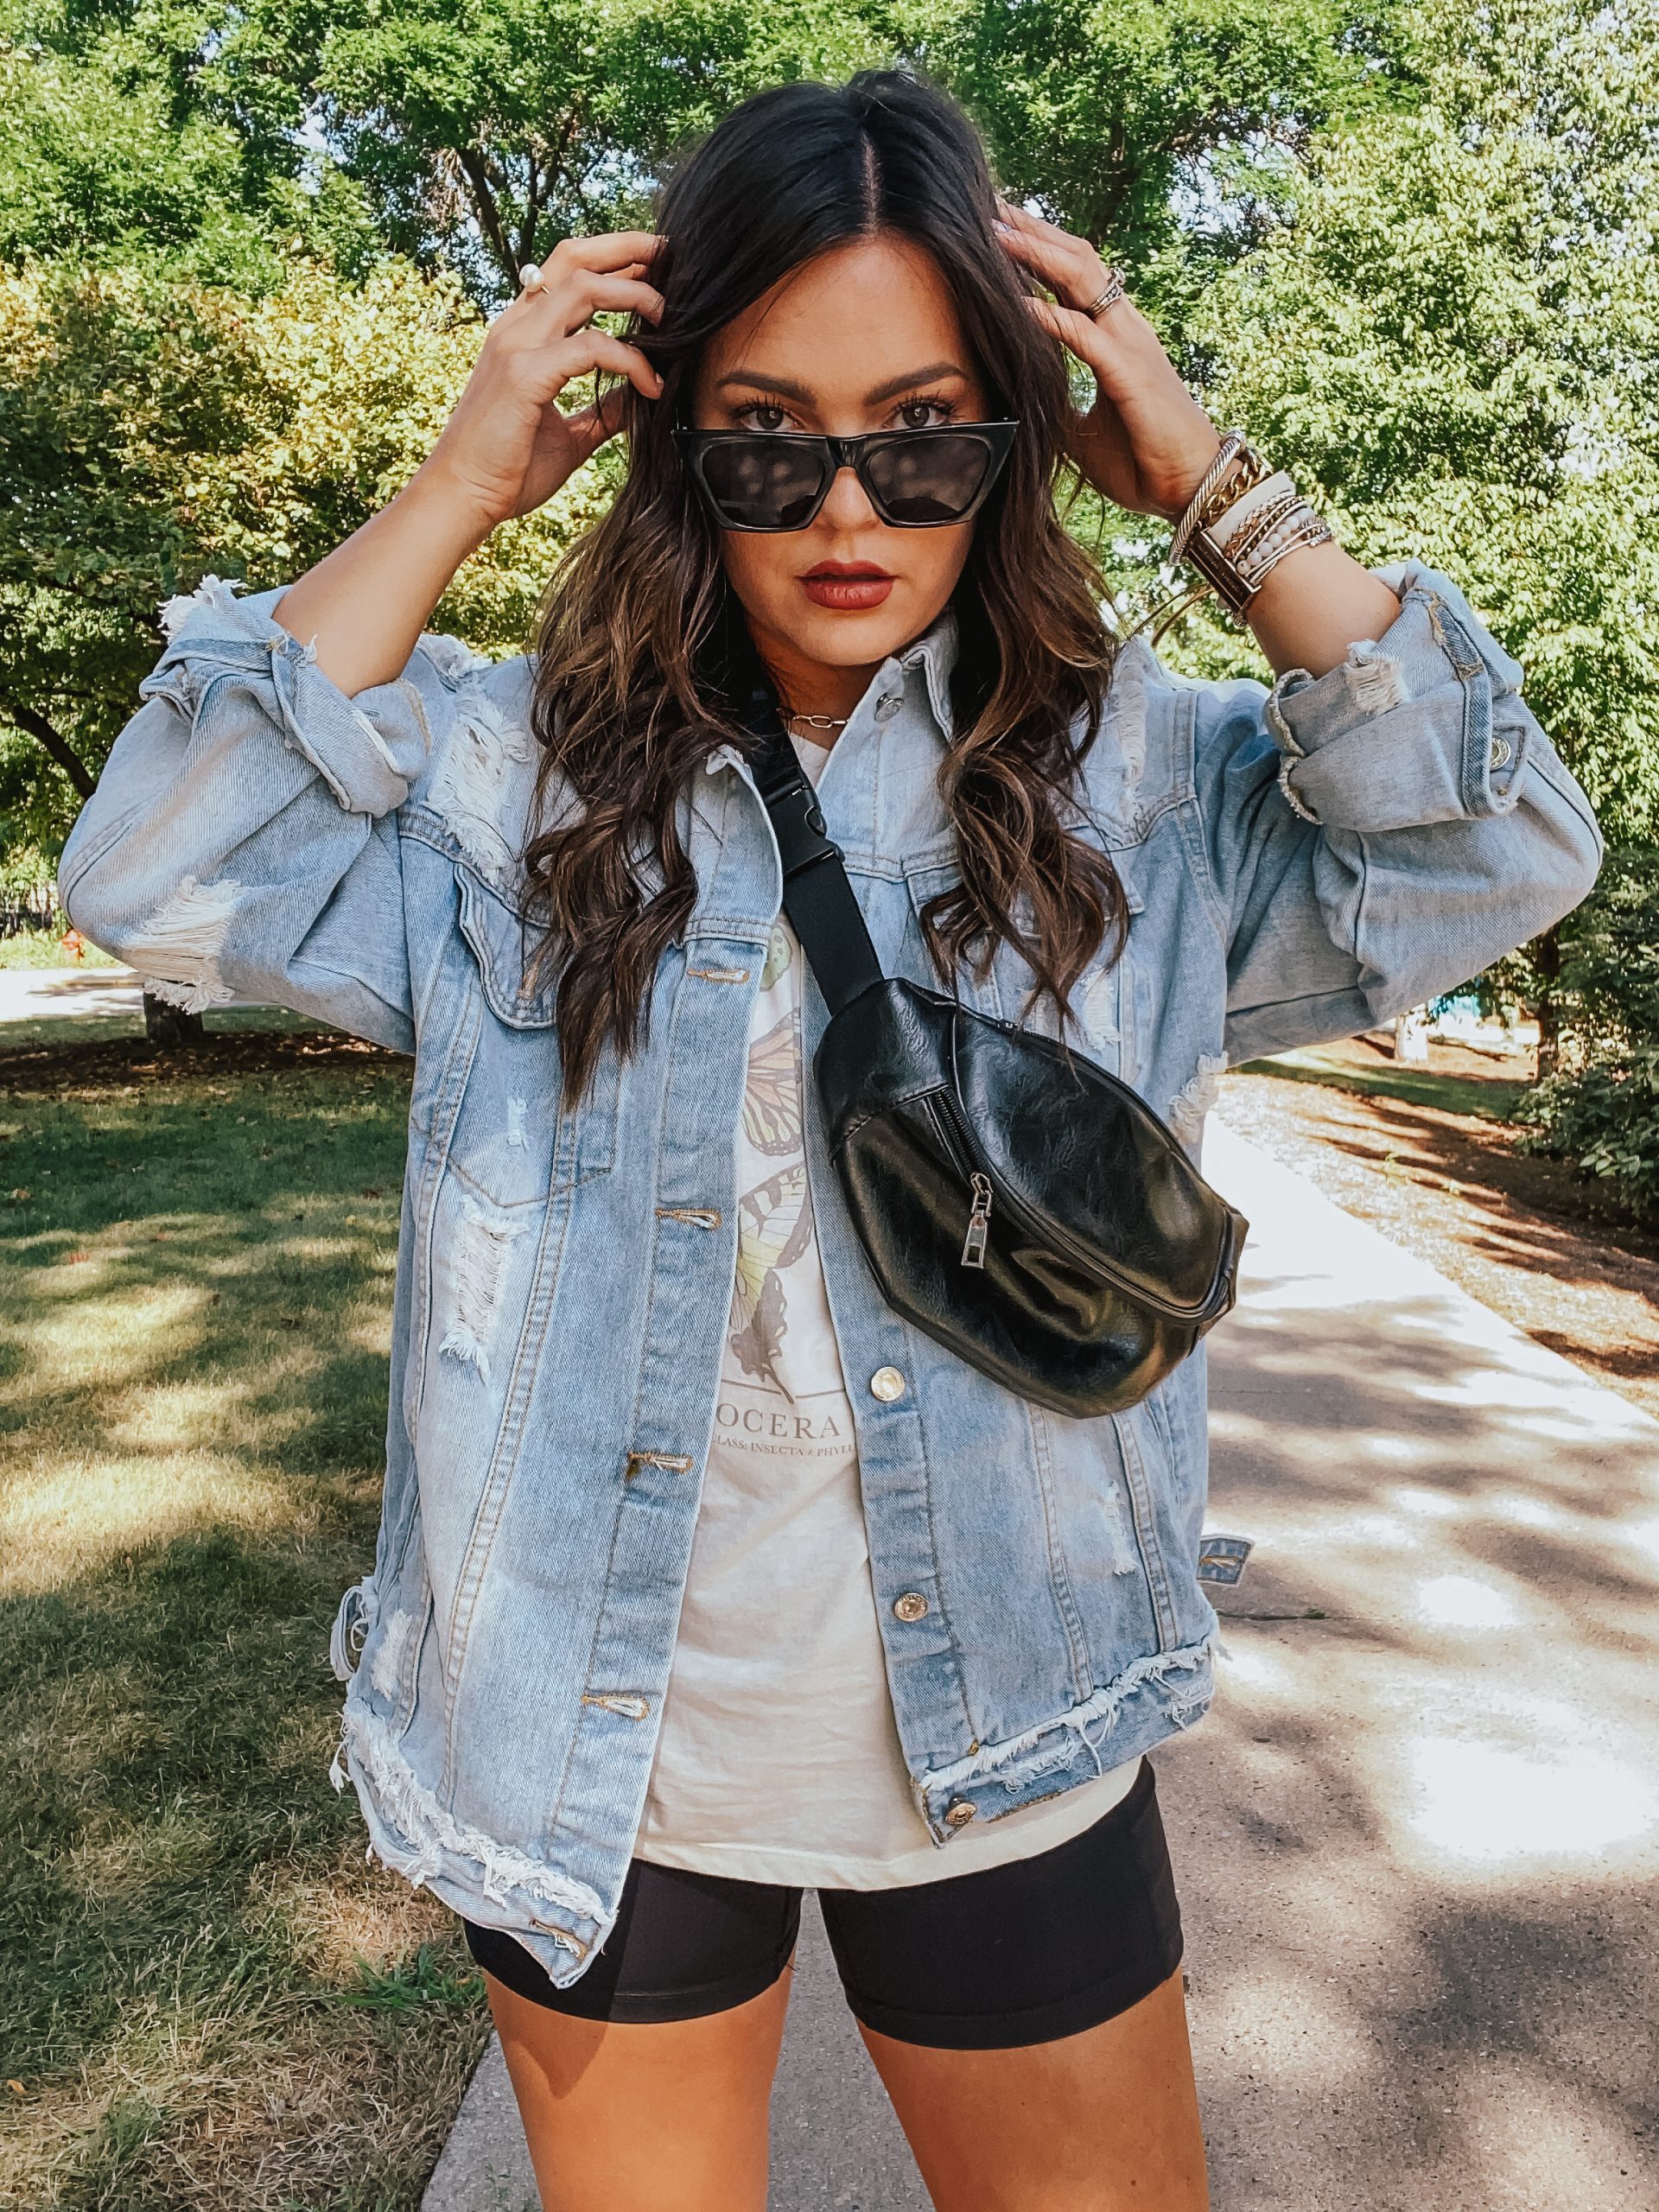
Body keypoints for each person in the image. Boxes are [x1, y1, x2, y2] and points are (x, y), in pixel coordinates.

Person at [57, 68, 1602, 2212]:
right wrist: (455, 487)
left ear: (1021, 439)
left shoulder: (1131, 777)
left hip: (1018, 1714)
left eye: (930, 434)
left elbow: (1499, 846)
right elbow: (147, 861)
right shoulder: (513, 777)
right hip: (600, 1736)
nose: (849, 510)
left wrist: (1213, 484)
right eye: (770, 438)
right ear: (682, 439)